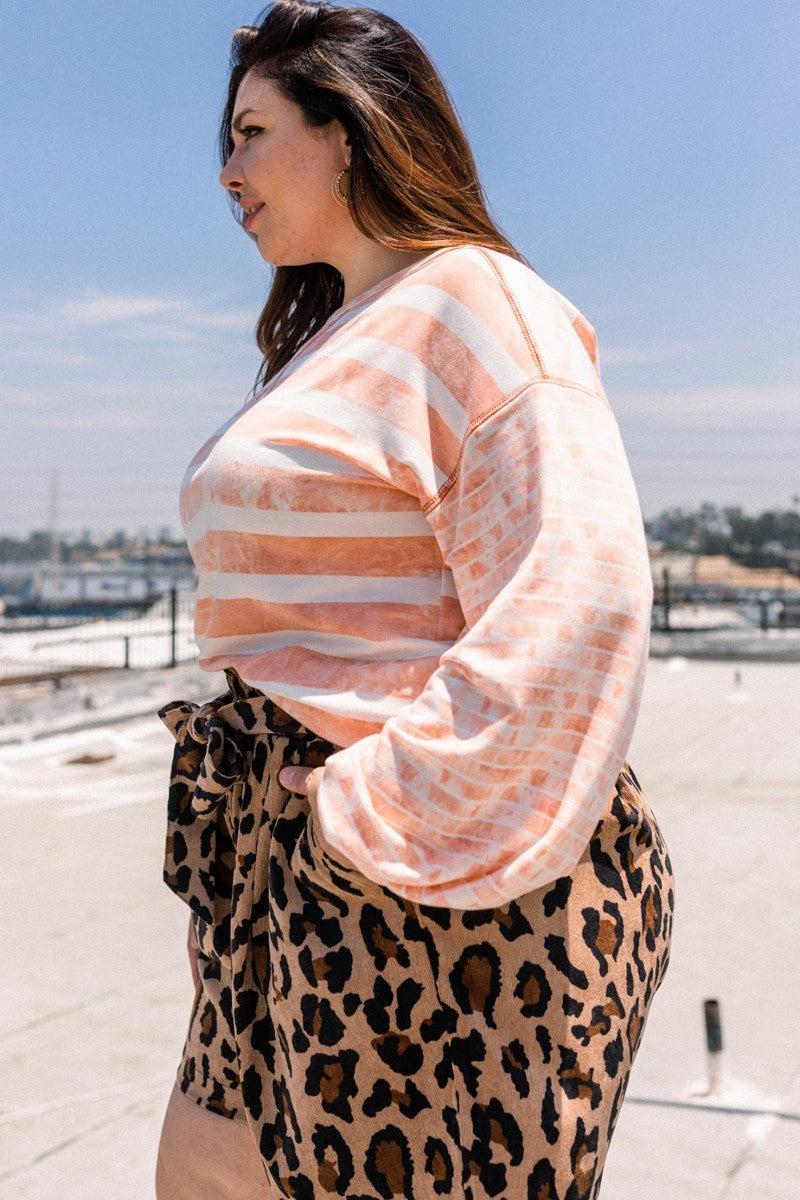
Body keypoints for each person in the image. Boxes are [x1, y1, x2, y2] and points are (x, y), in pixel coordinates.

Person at [154, 2, 675, 1197]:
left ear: (348, 131)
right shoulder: (332, 334)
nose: (224, 173)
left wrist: (363, 813)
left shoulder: (476, 302)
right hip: (301, 873)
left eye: (248, 132)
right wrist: (246, 879)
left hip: (435, 892)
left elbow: (577, 594)